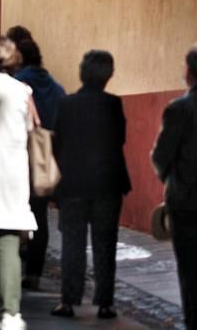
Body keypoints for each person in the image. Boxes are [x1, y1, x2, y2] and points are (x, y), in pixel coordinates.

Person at [52, 50, 130, 320]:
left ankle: (69, 300)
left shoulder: (67, 104)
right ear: (108, 76)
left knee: (72, 242)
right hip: (108, 183)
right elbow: (119, 139)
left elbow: (57, 143)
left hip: (74, 183)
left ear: (82, 72)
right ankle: (106, 302)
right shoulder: (113, 104)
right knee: (105, 243)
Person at [0, 37, 37, 330]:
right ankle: (11, 312)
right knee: (8, 242)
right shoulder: (23, 90)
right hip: (13, 170)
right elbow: (31, 131)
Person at [151, 43, 197, 329]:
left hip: (187, 205)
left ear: (189, 73)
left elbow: (161, 157)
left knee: (191, 273)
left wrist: (172, 181)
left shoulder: (179, 109)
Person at [13, 38, 66, 290]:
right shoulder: (56, 87)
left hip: (19, 156)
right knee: (39, 216)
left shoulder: (17, 84)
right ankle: (34, 272)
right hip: (45, 158)